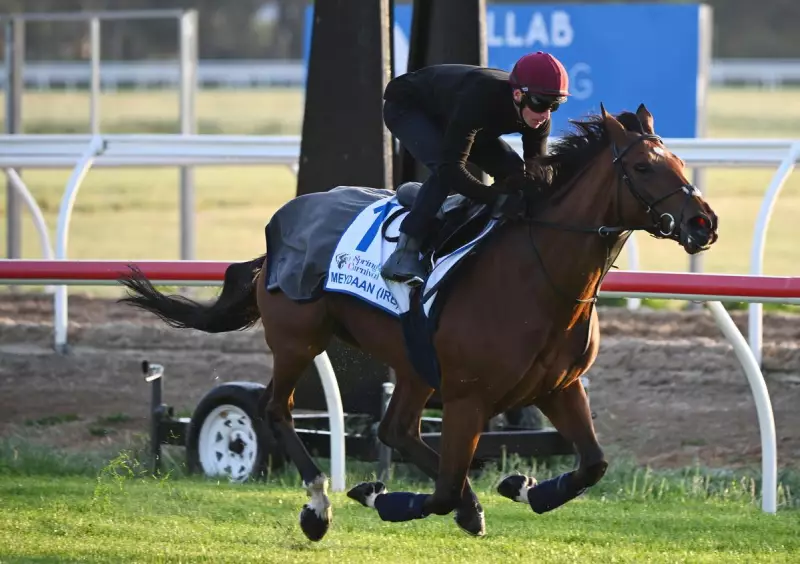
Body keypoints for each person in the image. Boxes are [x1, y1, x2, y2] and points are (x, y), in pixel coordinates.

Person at [380, 51, 571, 287]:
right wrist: (495, 198)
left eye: (555, 105)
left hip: (456, 114)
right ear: (518, 94)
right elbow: (452, 169)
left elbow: (536, 172)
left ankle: (426, 200)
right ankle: (403, 254)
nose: (545, 114)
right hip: (409, 108)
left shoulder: (539, 116)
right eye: (541, 103)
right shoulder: (481, 96)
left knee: (514, 172)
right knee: (444, 174)